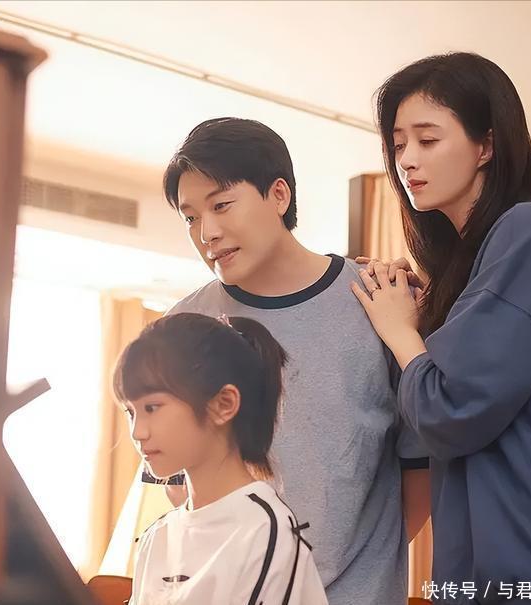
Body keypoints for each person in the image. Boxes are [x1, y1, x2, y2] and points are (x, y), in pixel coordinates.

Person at [160, 117, 431, 604]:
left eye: (221, 205)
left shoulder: (378, 301)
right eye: (190, 218)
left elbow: (421, 469)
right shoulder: (178, 329)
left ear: (279, 195)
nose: (207, 232)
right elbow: (177, 485)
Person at [352, 52, 531, 603]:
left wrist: (401, 332)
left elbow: (451, 410)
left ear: (487, 146)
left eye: (427, 139)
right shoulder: (467, 268)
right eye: (398, 145)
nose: (407, 160)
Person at [114, 312, 328, 605]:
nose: (137, 432)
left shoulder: (264, 529)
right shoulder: (157, 537)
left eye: (152, 408)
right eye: (130, 412)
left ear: (223, 404)